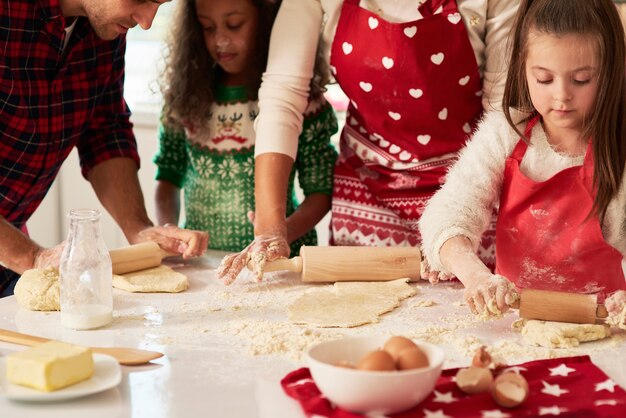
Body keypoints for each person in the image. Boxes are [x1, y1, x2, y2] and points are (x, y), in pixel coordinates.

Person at [216, 0, 520, 284]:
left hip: (470, 190)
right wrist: (270, 228)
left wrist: (454, 222)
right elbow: (283, 96)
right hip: (366, 191)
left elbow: (503, 113)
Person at [418, 0, 626, 320]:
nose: (561, 96)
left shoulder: (619, 148)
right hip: (515, 323)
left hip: (604, 325)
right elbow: (450, 209)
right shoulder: (505, 134)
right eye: (544, 78)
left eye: (581, 79)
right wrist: (476, 276)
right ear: (522, 68)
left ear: (611, 71)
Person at [0, 0, 209, 297]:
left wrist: (138, 229)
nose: (147, 21)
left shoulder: (104, 31)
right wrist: (30, 258)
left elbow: (104, 132)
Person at [153, 0, 338, 271]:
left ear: (267, 22)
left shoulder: (302, 105)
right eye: (207, 27)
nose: (220, 39)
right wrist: (168, 231)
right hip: (202, 266)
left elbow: (321, 191)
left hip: (280, 266)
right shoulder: (185, 100)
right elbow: (168, 176)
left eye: (234, 24)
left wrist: (279, 234)